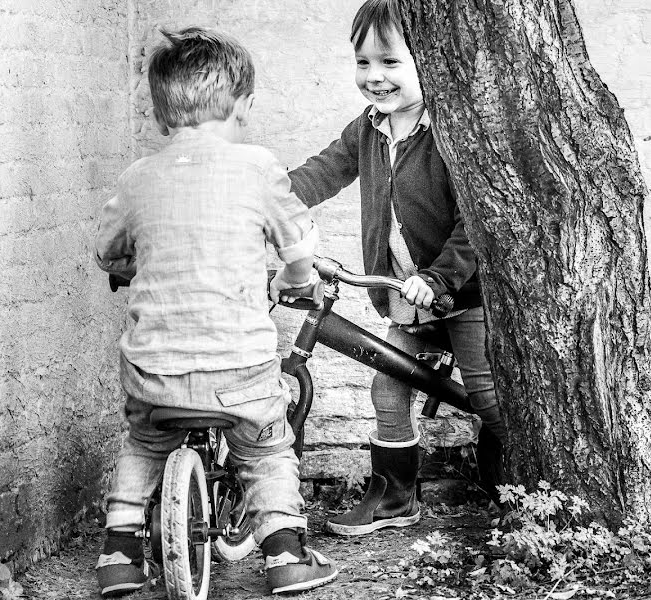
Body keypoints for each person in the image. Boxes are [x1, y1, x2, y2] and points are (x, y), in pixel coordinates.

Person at [92, 27, 337, 597]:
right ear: (244, 107)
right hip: (239, 372)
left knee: (142, 445)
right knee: (267, 449)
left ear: (158, 118)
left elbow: (107, 251)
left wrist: (135, 264)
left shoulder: (136, 178)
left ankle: (118, 555)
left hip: (154, 375)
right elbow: (298, 249)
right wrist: (295, 281)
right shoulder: (257, 168)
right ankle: (285, 555)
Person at [288, 0, 507, 537]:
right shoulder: (366, 129)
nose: (374, 77)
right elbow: (323, 171)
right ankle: (394, 496)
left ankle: (516, 479)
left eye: (389, 62)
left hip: (464, 292)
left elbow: (477, 223)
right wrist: (269, 200)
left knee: (483, 392)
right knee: (388, 389)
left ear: (428, 60)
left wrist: (439, 279)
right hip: (402, 294)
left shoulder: (451, 133)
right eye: (363, 63)